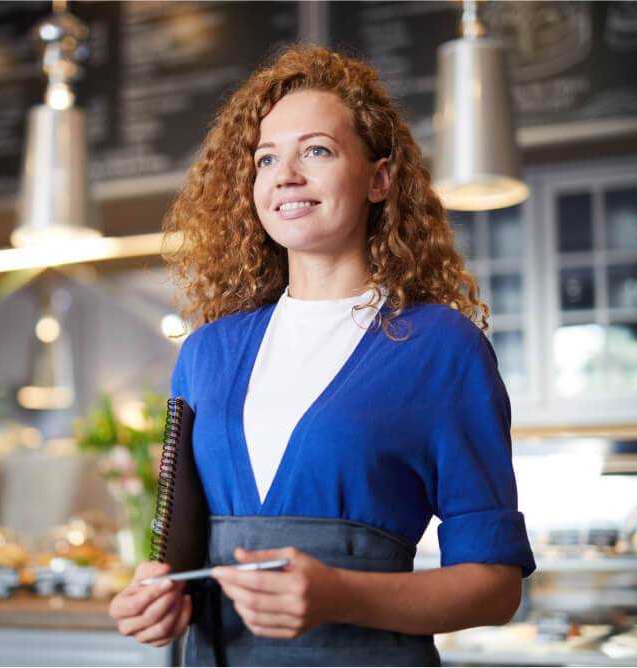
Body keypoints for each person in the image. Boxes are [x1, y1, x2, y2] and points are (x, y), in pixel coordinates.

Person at [109, 46, 536, 666]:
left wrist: (341, 595)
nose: (285, 175)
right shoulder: (206, 353)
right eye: (265, 159)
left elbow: (495, 587)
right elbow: (180, 551)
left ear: (379, 178)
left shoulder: (441, 347)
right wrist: (157, 595)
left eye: (316, 151)